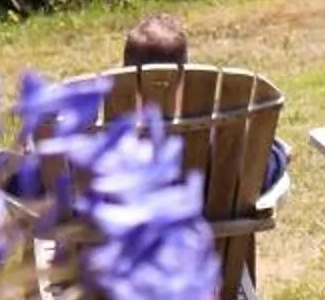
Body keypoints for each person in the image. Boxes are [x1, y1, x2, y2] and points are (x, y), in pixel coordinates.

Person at [120, 12, 287, 192]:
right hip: (215, 217)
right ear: (186, 75)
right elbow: (257, 176)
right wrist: (279, 153)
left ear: (127, 78)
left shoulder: (111, 137)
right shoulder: (214, 131)